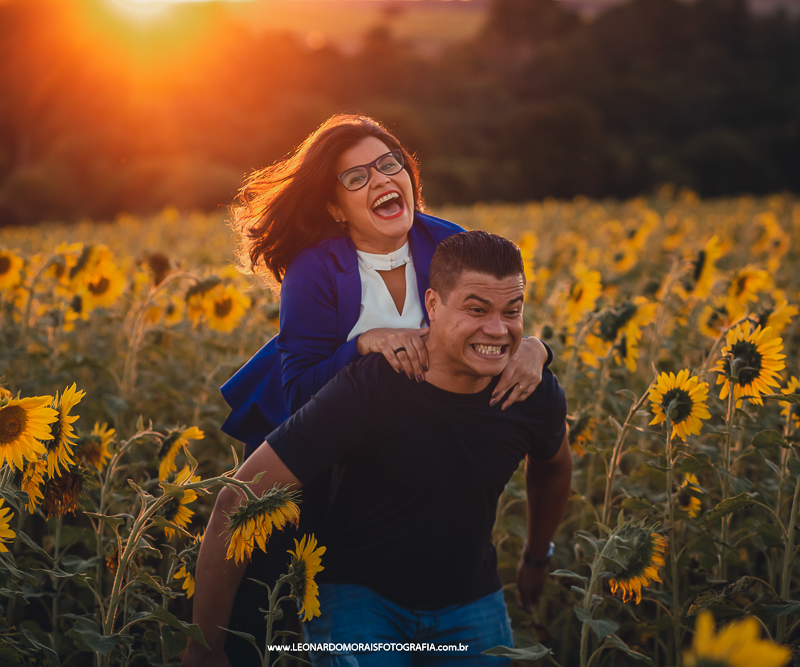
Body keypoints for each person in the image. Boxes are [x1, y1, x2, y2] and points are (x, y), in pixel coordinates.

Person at [217, 114, 552, 663]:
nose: (380, 180)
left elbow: (496, 321)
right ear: (334, 206)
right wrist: (365, 342)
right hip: (330, 466)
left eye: (388, 164)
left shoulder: (446, 242)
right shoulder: (315, 268)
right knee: (280, 597)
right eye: (356, 178)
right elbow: (300, 392)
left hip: (420, 448)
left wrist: (536, 348)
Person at [184, 231, 572, 667]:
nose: (498, 330)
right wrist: (205, 647)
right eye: (476, 310)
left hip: (470, 600)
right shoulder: (375, 384)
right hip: (360, 599)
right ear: (432, 305)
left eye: (512, 311)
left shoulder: (528, 390)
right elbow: (239, 496)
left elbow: (553, 467)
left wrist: (537, 556)